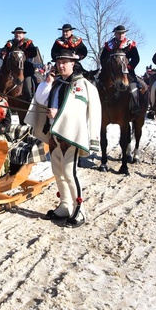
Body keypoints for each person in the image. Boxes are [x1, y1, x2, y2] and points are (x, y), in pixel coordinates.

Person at [25, 48, 101, 228]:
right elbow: (41, 100)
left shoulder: (81, 84)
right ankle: (65, 205)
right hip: (54, 134)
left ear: (73, 64)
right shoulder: (57, 83)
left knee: (70, 172)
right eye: (59, 63)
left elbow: (78, 107)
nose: (61, 65)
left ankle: (79, 209)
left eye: (64, 62)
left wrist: (59, 113)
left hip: (71, 136)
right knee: (58, 171)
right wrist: (47, 82)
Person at [100, 25, 144, 114]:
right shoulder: (109, 45)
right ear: (115, 34)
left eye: (122, 33)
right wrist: (107, 68)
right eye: (118, 33)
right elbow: (102, 58)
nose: (121, 35)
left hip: (126, 70)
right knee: (98, 81)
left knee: (133, 85)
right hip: (112, 71)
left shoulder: (130, 44)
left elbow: (136, 58)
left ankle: (136, 103)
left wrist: (129, 67)